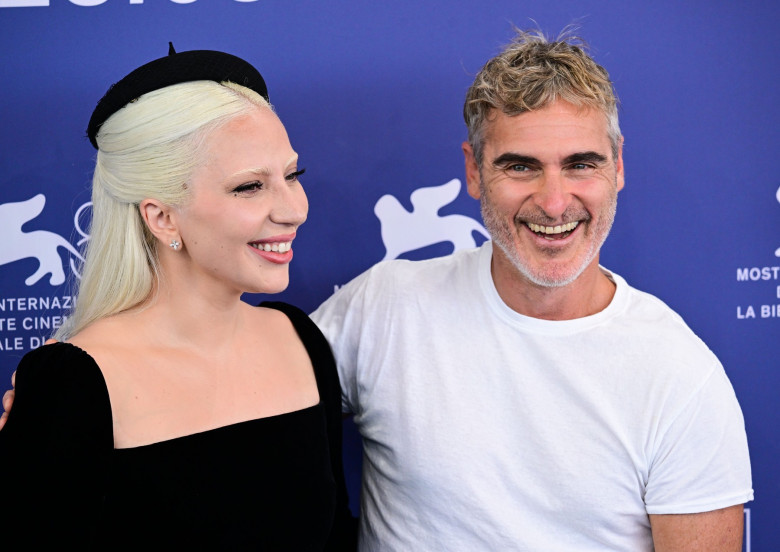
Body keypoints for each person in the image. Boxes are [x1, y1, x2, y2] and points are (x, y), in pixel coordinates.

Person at [310, 29, 753, 550]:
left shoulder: (681, 376)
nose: (554, 201)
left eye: (580, 164)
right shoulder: (382, 307)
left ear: (618, 166)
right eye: (520, 166)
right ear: (474, 172)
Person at [0, 46, 355, 550]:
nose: (294, 209)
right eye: (250, 186)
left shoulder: (297, 336)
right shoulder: (72, 382)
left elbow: (334, 530)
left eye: (292, 175)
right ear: (162, 216)